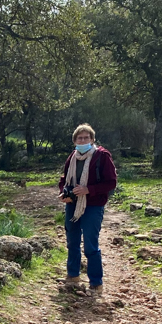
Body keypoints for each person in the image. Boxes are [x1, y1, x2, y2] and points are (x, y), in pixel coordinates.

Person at [58, 123, 118, 293]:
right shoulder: (72, 157)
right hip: (72, 204)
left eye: (86, 138)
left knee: (91, 245)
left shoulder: (102, 156)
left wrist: (88, 190)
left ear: (92, 139)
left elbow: (111, 182)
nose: (82, 140)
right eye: (79, 138)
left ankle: (96, 282)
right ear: (74, 140)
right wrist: (64, 192)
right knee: (72, 241)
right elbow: (64, 179)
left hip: (93, 205)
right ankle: (73, 275)